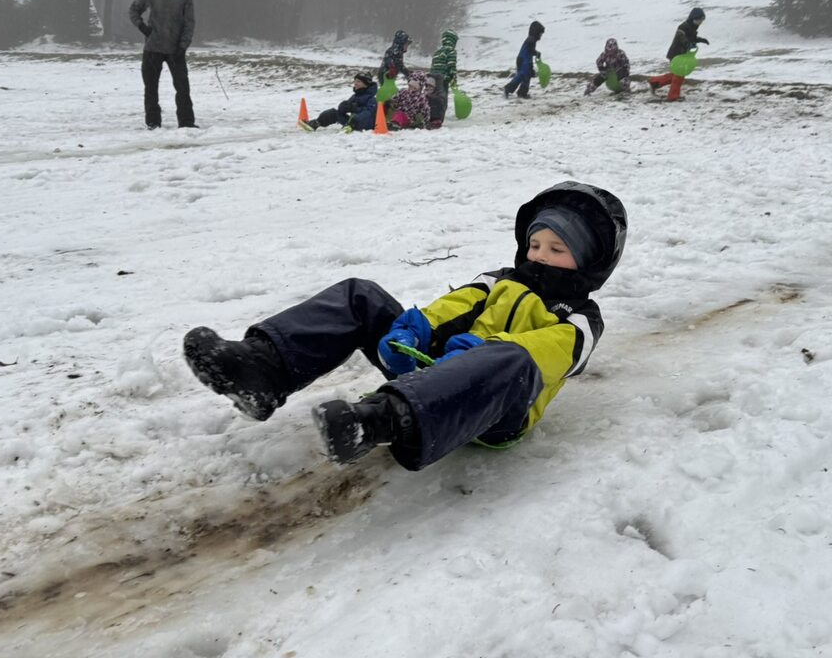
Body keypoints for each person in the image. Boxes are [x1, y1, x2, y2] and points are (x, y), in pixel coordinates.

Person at [182, 181, 628, 469]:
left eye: (556, 249)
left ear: (588, 259)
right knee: (361, 295)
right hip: (434, 375)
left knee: (512, 357)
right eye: (535, 244)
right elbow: (455, 306)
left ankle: (381, 422)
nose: (540, 255)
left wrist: (482, 353)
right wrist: (414, 329)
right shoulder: (500, 279)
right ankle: (262, 371)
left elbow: (552, 353)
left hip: (496, 408)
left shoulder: (582, 318)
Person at [128, 0, 196, 129]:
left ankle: (186, 122)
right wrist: (142, 27)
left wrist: (183, 46)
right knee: (150, 88)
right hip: (153, 48)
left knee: (182, 87)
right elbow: (134, 9)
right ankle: (153, 122)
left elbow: (189, 24)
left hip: (175, 50)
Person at [647, 7, 709, 103]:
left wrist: (700, 40)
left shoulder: (692, 27)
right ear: (693, 18)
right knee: (679, 76)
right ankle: (673, 97)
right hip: (676, 55)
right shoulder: (683, 27)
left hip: (682, 54)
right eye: (699, 20)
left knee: (676, 74)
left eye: (702, 20)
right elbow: (681, 37)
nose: (701, 22)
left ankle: (654, 82)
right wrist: (688, 44)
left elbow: (692, 38)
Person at [301, 72, 378, 133]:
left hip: (364, 126)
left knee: (365, 114)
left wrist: (355, 111)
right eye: (355, 81)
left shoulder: (372, 99)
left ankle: (350, 125)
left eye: (358, 81)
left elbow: (368, 114)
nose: (355, 83)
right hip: (350, 124)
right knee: (333, 112)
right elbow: (346, 106)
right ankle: (315, 123)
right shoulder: (355, 96)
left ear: (366, 84)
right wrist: (343, 107)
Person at [503, 21, 545, 99]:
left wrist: (535, 54)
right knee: (522, 75)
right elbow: (530, 50)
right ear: (536, 32)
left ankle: (522, 93)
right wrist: (536, 53)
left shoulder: (531, 40)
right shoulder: (531, 40)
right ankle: (508, 88)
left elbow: (530, 51)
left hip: (525, 60)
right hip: (523, 60)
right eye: (540, 34)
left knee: (527, 76)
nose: (541, 36)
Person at [427, 30, 459, 129]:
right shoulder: (451, 51)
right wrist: (453, 78)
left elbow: (433, 66)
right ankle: (439, 119)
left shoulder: (437, 52)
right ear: (453, 41)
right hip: (443, 79)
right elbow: (451, 65)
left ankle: (430, 116)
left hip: (432, 78)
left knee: (432, 98)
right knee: (442, 99)